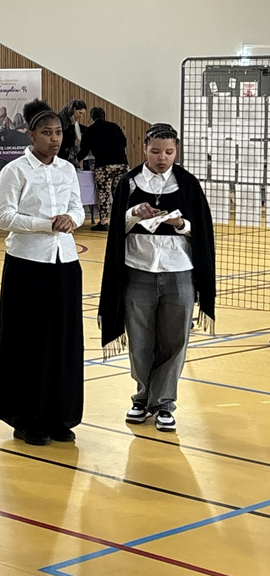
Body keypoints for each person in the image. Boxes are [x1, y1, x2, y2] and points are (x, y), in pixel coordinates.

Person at [98, 123, 216, 432]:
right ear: (144, 149)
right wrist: (134, 214)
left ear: (176, 151)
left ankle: (163, 402)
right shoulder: (129, 183)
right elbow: (116, 228)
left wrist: (180, 224)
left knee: (175, 339)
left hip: (179, 271)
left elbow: (201, 229)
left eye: (168, 152)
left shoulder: (187, 184)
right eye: (155, 152)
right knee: (140, 339)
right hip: (138, 271)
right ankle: (142, 396)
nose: (162, 158)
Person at [0, 99, 85, 446]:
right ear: (31, 135)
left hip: (65, 263)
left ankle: (60, 415)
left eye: (58, 132)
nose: (55, 139)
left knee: (64, 341)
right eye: (47, 133)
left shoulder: (67, 170)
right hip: (27, 265)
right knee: (29, 343)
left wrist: (71, 219)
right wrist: (46, 224)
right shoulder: (15, 171)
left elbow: (76, 207)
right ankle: (28, 418)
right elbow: (4, 217)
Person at [77, 107, 129, 232]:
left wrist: (77, 158)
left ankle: (104, 222)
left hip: (104, 166)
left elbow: (84, 150)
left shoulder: (90, 130)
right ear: (104, 115)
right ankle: (122, 220)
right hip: (121, 164)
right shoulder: (114, 127)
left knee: (103, 194)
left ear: (92, 117)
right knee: (120, 193)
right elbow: (124, 143)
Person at [58, 99, 88, 164]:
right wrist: (73, 142)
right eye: (80, 113)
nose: (81, 116)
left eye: (82, 114)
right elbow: (59, 138)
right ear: (74, 109)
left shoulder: (72, 121)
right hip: (61, 156)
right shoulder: (62, 120)